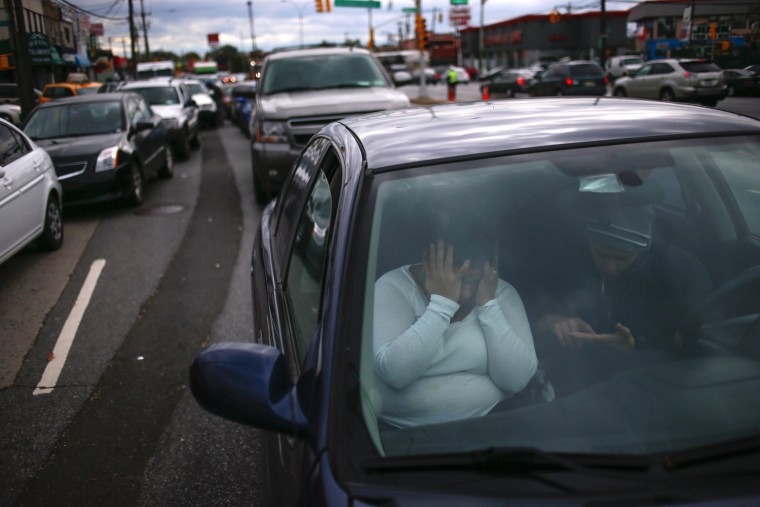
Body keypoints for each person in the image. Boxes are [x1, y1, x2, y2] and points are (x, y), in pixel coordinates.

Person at [534, 202, 713, 391]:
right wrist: (550, 319)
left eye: (623, 258)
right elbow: (526, 305)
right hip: (568, 376)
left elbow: (684, 348)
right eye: (602, 254)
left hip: (641, 385)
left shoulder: (678, 275)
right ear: (589, 242)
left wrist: (633, 347)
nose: (611, 267)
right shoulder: (564, 259)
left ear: (642, 250)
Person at [373, 238, 538, 428]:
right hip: (400, 440)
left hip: (491, 429)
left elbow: (516, 380)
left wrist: (488, 305)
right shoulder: (392, 287)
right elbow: (396, 373)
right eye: (459, 280)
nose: (467, 293)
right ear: (428, 260)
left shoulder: (497, 290)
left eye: (474, 282)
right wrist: (442, 304)